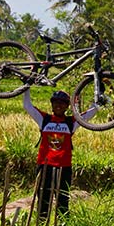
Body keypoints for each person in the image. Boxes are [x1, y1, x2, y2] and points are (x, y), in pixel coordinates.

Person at [22, 88, 96, 217]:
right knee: (43, 201)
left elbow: (91, 112)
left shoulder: (71, 122)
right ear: (51, 104)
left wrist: (98, 90)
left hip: (64, 167)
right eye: (55, 102)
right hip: (45, 167)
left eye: (62, 103)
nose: (58, 105)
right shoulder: (44, 119)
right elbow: (27, 106)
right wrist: (26, 87)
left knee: (63, 202)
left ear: (67, 106)